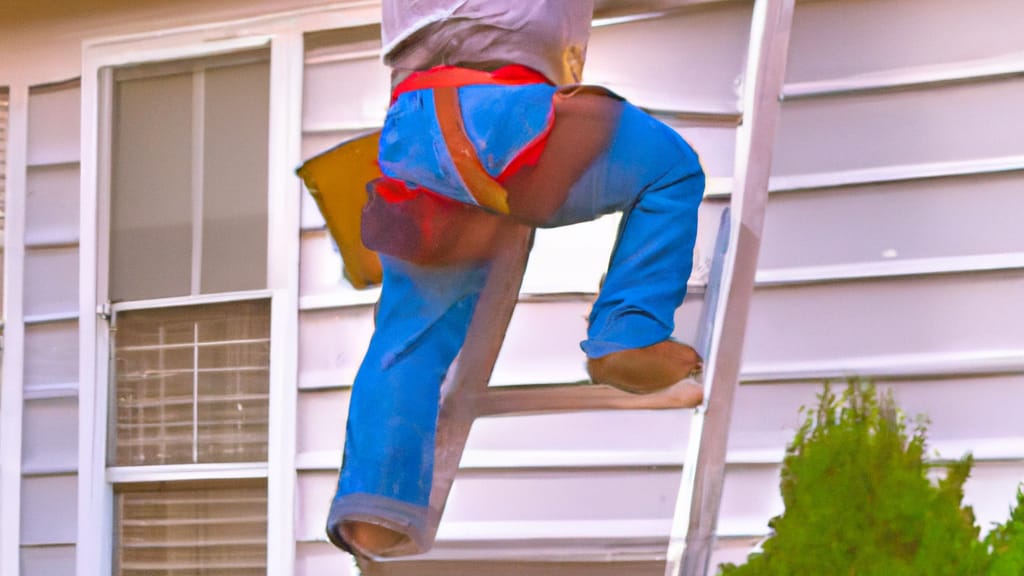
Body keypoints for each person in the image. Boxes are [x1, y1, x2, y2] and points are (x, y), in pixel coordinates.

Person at [326, 0, 707, 558]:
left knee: (413, 330)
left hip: (415, 127)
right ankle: (626, 332)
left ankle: (374, 510)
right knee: (670, 169)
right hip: (504, 117)